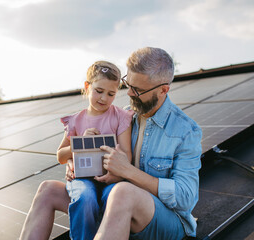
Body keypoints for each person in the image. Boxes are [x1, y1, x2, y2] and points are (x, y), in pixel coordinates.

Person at [20, 47, 202, 240]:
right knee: (47, 189)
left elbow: (185, 198)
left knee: (123, 192)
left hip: (161, 220)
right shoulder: (124, 117)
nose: (130, 94)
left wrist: (127, 171)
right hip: (110, 203)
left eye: (138, 90)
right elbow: (74, 153)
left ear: (163, 90)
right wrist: (76, 162)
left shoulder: (185, 131)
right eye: (128, 84)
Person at [20, 60, 133, 240]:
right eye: (99, 91)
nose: (104, 98)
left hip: (111, 180)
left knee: (116, 201)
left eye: (111, 94)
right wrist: (79, 143)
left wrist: (116, 175)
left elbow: (127, 154)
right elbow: (61, 156)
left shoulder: (120, 117)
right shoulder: (75, 121)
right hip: (83, 179)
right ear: (87, 86)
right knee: (85, 197)